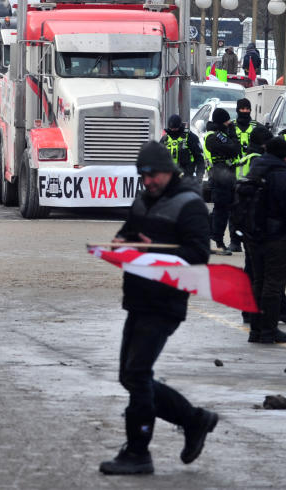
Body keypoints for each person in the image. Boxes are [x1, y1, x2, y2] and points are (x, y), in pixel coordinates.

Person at [98, 141, 217, 476]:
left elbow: (198, 256)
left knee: (136, 375)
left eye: (152, 175)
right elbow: (128, 233)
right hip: (138, 298)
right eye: (142, 176)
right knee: (130, 376)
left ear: (169, 170)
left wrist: (156, 252)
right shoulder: (142, 200)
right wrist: (121, 244)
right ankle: (195, 420)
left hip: (165, 301)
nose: (147, 181)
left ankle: (138, 452)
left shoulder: (189, 204)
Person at [240, 138, 286, 344]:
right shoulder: (282, 176)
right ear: (284, 155)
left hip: (253, 236)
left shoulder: (255, 170)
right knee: (273, 285)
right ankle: (269, 331)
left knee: (258, 281)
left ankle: (256, 330)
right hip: (277, 237)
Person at [203, 107, 241, 255]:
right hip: (219, 178)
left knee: (222, 211)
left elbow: (235, 149)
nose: (229, 123)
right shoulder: (212, 137)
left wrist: (231, 136)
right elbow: (233, 149)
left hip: (228, 177)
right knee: (221, 211)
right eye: (227, 121)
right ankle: (218, 242)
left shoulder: (224, 134)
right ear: (220, 121)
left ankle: (205, 233)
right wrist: (232, 137)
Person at [159, 114, 205, 179]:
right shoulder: (165, 139)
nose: (173, 130)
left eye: (175, 128)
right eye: (171, 128)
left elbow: (199, 157)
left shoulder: (190, 137)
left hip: (186, 178)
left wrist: (199, 175)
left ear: (180, 126)